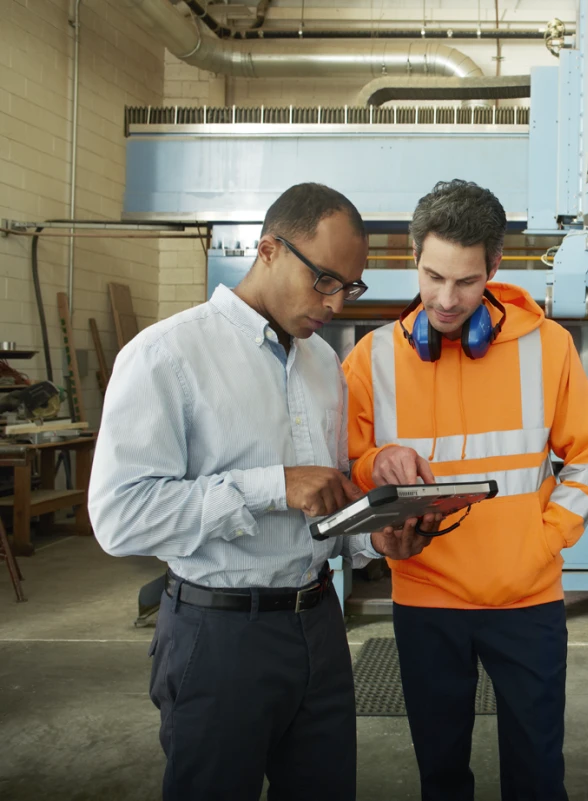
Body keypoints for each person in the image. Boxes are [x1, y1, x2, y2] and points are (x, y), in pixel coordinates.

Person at [88, 183, 435, 801]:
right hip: (218, 635)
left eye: (349, 287)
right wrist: (272, 486)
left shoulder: (323, 365)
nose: (334, 303)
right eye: (324, 280)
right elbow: (120, 517)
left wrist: (374, 542)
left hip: (319, 626)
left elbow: (325, 503)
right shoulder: (167, 355)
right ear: (268, 249)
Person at [343, 179, 588, 801]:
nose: (446, 299)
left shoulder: (549, 348)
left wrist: (545, 541)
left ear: (494, 267)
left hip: (527, 597)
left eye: (466, 282)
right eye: (433, 276)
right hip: (425, 595)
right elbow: (351, 466)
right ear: (414, 257)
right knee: (440, 774)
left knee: (537, 772)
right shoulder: (371, 359)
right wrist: (379, 461)